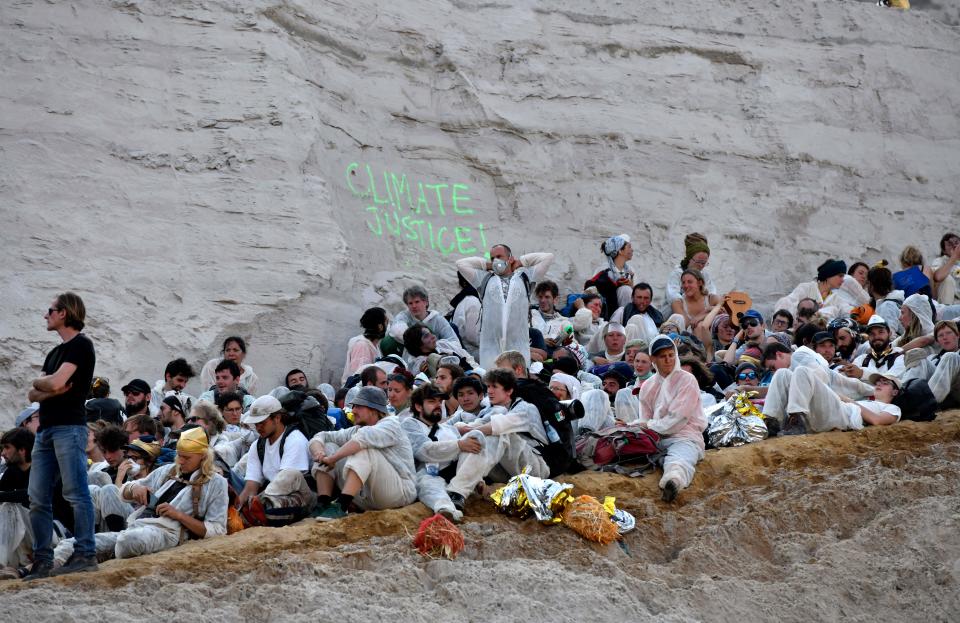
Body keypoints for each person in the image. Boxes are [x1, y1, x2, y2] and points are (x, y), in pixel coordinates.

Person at [55, 427, 228, 563]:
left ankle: (102, 557)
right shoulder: (169, 470)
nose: (181, 461)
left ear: (203, 456)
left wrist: (179, 515)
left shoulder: (216, 483)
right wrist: (135, 489)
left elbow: (217, 530)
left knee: (128, 541)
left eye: (187, 458)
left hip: (168, 532)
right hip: (136, 525)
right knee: (70, 545)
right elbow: (124, 491)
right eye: (179, 456)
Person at [23, 292, 98, 580]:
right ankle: (42, 560)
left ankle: (85, 553)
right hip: (47, 431)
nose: (46, 315)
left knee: (76, 493)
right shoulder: (55, 353)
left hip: (69, 428)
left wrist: (48, 384)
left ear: (64, 313)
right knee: (37, 497)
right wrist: (45, 385)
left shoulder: (80, 345)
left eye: (50, 310)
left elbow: (54, 382)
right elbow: (35, 392)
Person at [444, 368, 550, 512]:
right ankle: (466, 487)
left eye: (495, 387)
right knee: (476, 439)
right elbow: (474, 427)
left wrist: (466, 430)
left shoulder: (525, 408)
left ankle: (457, 491)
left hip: (534, 468)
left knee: (499, 433)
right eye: (488, 386)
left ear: (509, 391)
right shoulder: (490, 409)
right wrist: (463, 429)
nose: (490, 391)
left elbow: (494, 427)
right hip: (508, 470)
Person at [309, 387, 417, 518]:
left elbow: (363, 439)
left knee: (362, 448)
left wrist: (332, 459)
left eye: (359, 406)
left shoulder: (391, 424)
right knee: (329, 445)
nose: (353, 410)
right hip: (370, 497)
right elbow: (321, 436)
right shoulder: (358, 429)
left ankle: (342, 505)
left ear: (374, 409)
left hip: (401, 493)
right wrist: (319, 453)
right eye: (353, 406)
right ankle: (324, 504)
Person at [456, 244, 554, 369]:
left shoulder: (525, 278)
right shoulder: (484, 280)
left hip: (518, 349)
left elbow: (548, 257)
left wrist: (521, 262)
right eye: (492, 258)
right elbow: (461, 264)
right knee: (493, 385)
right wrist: (488, 265)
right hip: (491, 351)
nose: (496, 260)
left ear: (510, 258)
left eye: (499, 256)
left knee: (518, 384)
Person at [635, 336, 707, 502]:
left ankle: (673, 482)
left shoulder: (687, 380)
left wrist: (649, 425)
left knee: (680, 460)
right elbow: (644, 418)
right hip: (656, 438)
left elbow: (678, 418)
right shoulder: (647, 386)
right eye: (662, 356)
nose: (668, 360)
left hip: (685, 436)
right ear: (653, 360)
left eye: (671, 355)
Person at [400, 384, 482, 522]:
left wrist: (478, 479)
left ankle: (458, 493)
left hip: (457, 475)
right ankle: (447, 511)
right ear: (419, 406)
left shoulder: (450, 429)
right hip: (429, 473)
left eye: (440, 401)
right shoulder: (410, 425)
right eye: (432, 401)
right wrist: (459, 445)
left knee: (476, 435)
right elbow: (424, 451)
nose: (438, 405)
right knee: (427, 484)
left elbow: (467, 454)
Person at [235, 396, 315, 525]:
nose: (258, 427)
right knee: (266, 509)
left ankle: (259, 507)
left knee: (289, 474)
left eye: (262, 422)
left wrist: (257, 501)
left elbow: (289, 482)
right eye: (256, 424)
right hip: (272, 499)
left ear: (277, 418)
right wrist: (237, 510)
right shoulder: (258, 446)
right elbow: (251, 486)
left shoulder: (294, 439)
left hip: (301, 496)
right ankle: (257, 510)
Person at [763, 366, 902, 434]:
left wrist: (849, 400)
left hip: (843, 416)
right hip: (836, 409)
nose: (879, 384)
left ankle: (797, 421)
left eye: (885, 382)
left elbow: (877, 421)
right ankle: (773, 421)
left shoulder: (893, 408)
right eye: (878, 381)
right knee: (783, 373)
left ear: (895, 391)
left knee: (802, 371)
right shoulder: (867, 400)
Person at [775, 259, 869, 322]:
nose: (843, 280)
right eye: (840, 276)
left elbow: (851, 312)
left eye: (843, 276)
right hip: (798, 330)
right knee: (784, 301)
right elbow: (787, 303)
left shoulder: (836, 299)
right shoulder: (806, 288)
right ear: (829, 275)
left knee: (833, 310)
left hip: (820, 338)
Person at [0, 428, 35, 569]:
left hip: (49, 530)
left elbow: (31, 495)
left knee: (10, 507)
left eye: (7, 448)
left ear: (22, 449)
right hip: (22, 534)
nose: (3, 453)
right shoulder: (12, 471)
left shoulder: (42, 469)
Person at [387, 286, 460, 350]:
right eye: (410, 303)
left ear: (426, 302)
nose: (414, 306)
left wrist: (434, 346)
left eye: (417, 302)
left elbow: (454, 342)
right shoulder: (404, 316)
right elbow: (397, 331)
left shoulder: (437, 319)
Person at [841, 316, 906, 380]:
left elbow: (891, 380)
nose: (876, 337)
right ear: (868, 337)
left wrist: (862, 373)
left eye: (881, 332)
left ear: (889, 333)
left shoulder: (900, 356)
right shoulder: (861, 359)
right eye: (872, 334)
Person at [585, 234, 635, 317]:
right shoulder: (603, 270)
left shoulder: (630, 271)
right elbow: (593, 292)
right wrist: (615, 285)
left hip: (625, 307)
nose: (632, 250)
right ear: (620, 251)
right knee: (625, 290)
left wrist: (631, 285)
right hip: (608, 309)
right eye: (629, 247)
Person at [665, 233, 719, 306]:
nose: (700, 265)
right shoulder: (677, 274)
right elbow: (673, 296)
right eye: (698, 262)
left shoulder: (705, 275)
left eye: (704, 263)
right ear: (689, 259)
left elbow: (712, 293)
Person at [342, 307, 388, 384]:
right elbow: (359, 377)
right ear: (380, 326)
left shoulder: (373, 345)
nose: (388, 325)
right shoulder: (362, 345)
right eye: (387, 322)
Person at [449, 273, 482, 360]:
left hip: (464, 348)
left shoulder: (464, 299)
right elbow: (472, 337)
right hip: (470, 353)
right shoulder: (473, 302)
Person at [867, 264, 905, 335]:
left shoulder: (887, 306)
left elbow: (890, 336)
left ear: (871, 285)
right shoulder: (892, 303)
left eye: (868, 283)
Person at [932, 233, 960, 305]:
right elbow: (937, 277)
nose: (954, 245)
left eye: (957, 242)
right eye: (950, 244)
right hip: (949, 303)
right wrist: (954, 257)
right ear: (944, 250)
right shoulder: (940, 261)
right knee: (947, 279)